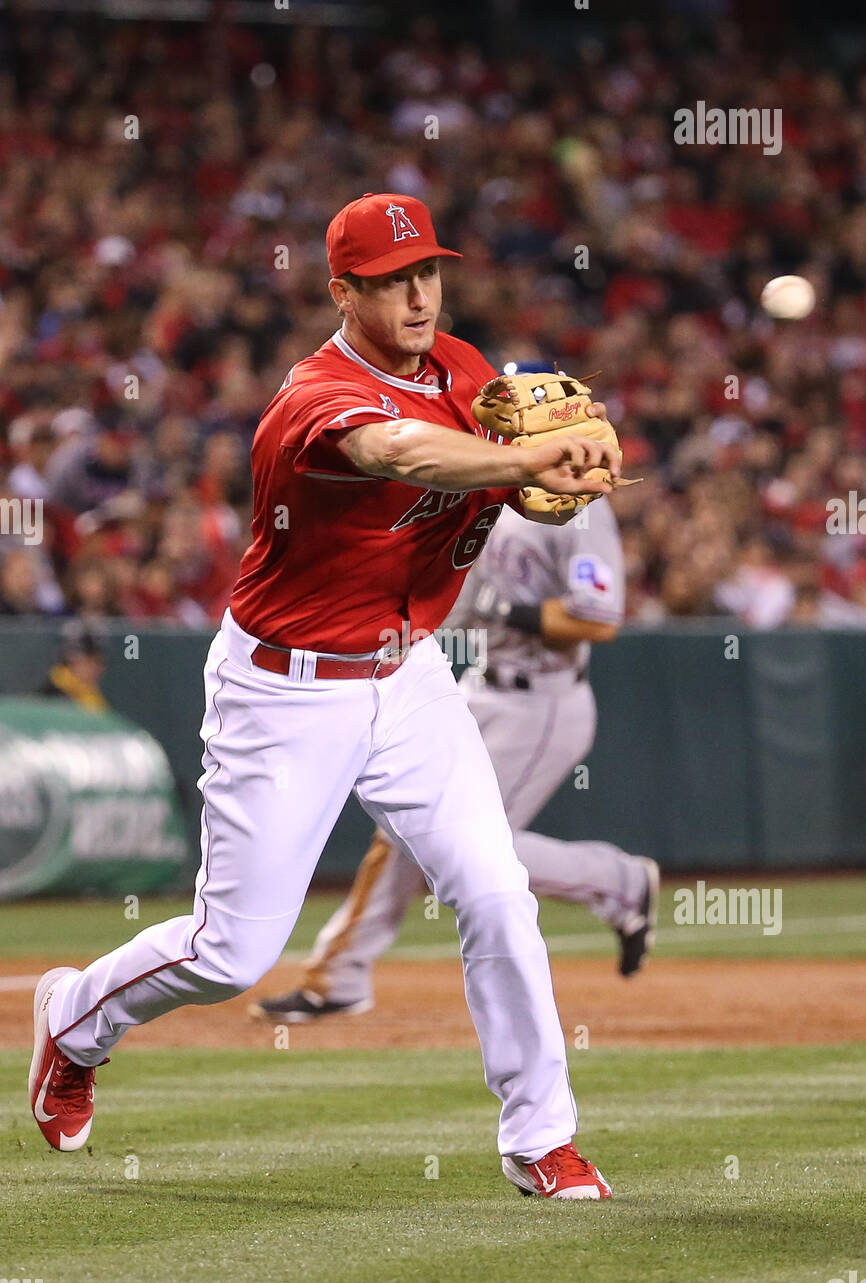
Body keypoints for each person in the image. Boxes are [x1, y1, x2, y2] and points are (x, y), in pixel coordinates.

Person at [30, 193, 623, 1200]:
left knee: (493, 892)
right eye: (391, 280)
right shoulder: (312, 399)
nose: (418, 293)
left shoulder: (467, 371)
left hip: (410, 676)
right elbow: (396, 451)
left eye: (428, 271)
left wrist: (568, 458)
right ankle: (75, 1021)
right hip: (286, 690)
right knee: (232, 953)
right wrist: (525, 458)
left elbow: (511, 452)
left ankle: (541, 1138)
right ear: (342, 291)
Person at [253, 375, 657, 1026]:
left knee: (456, 844)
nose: (513, 416)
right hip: (480, 687)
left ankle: (616, 881)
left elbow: (598, 619)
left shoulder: (582, 505)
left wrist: (503, 609)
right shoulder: (481, 484)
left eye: (530, 408)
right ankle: (342, 975)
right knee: (414, 834)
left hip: (543, 701)